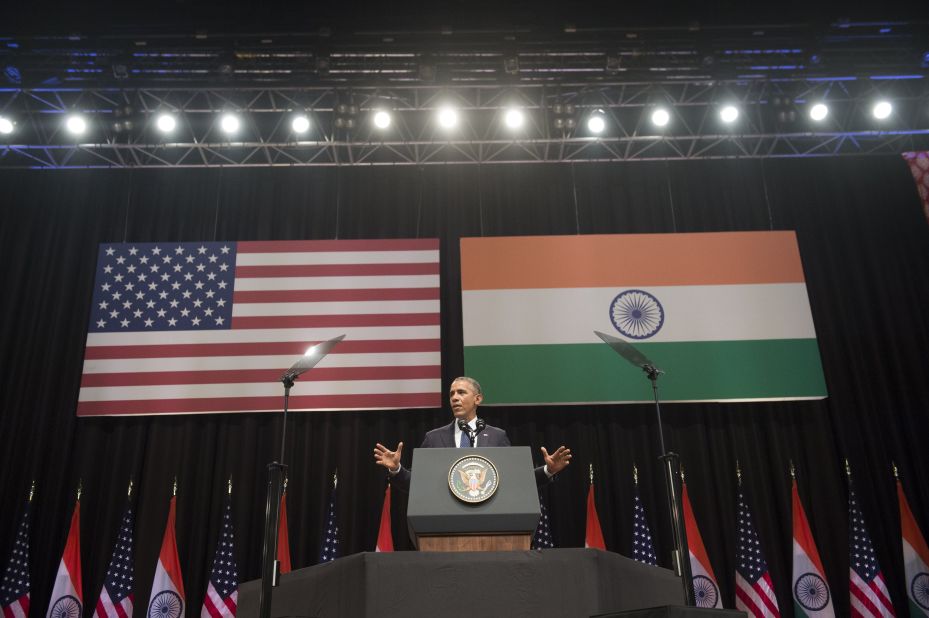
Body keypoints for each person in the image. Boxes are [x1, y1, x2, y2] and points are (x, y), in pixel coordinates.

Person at [373, 376, 572, 492]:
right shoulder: (433, 438)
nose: (455, 398)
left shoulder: (497, 436)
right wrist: (397, 470)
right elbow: (418, 485)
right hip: (443, 522)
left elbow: (515, 480)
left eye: (461, 393)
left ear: (478, 399)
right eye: (451, 394)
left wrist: (548, 470)